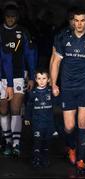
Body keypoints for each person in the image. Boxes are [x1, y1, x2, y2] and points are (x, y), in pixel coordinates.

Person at [50, 8, 85, 174]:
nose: (79, 24)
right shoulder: (63, 37)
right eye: (77, 20)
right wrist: (53, 84)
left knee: (83, 123)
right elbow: (55, 63)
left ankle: (81, 159)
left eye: (83, 20)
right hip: (68, 87)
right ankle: (71, 146)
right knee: (69, 126)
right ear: (73, 21)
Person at [0, 2, 36, 158]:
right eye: (7, 16)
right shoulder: (0, 31)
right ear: (4, 17)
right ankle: (7, 141)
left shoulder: (23, 32)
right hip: (1, 76)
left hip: (18, 75)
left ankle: (15, 144)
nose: (10, 19)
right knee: (3, 110)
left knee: (15, 109)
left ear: (17, 17)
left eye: (13, 16)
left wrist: (32, 76)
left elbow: (30, 54)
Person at [24, 68, 55, 168]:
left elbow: (57, 104)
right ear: (36, 79)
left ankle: (45, 158)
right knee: (37, 140)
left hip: (48, 122)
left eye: (44, 78)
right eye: (39, 78)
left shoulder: (51, 91)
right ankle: (36, 158)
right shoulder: (32, 93)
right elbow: (29, 106)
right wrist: (27, 118)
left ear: (49, 79)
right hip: (37, 122)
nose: (42, 81)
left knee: (46, 141)